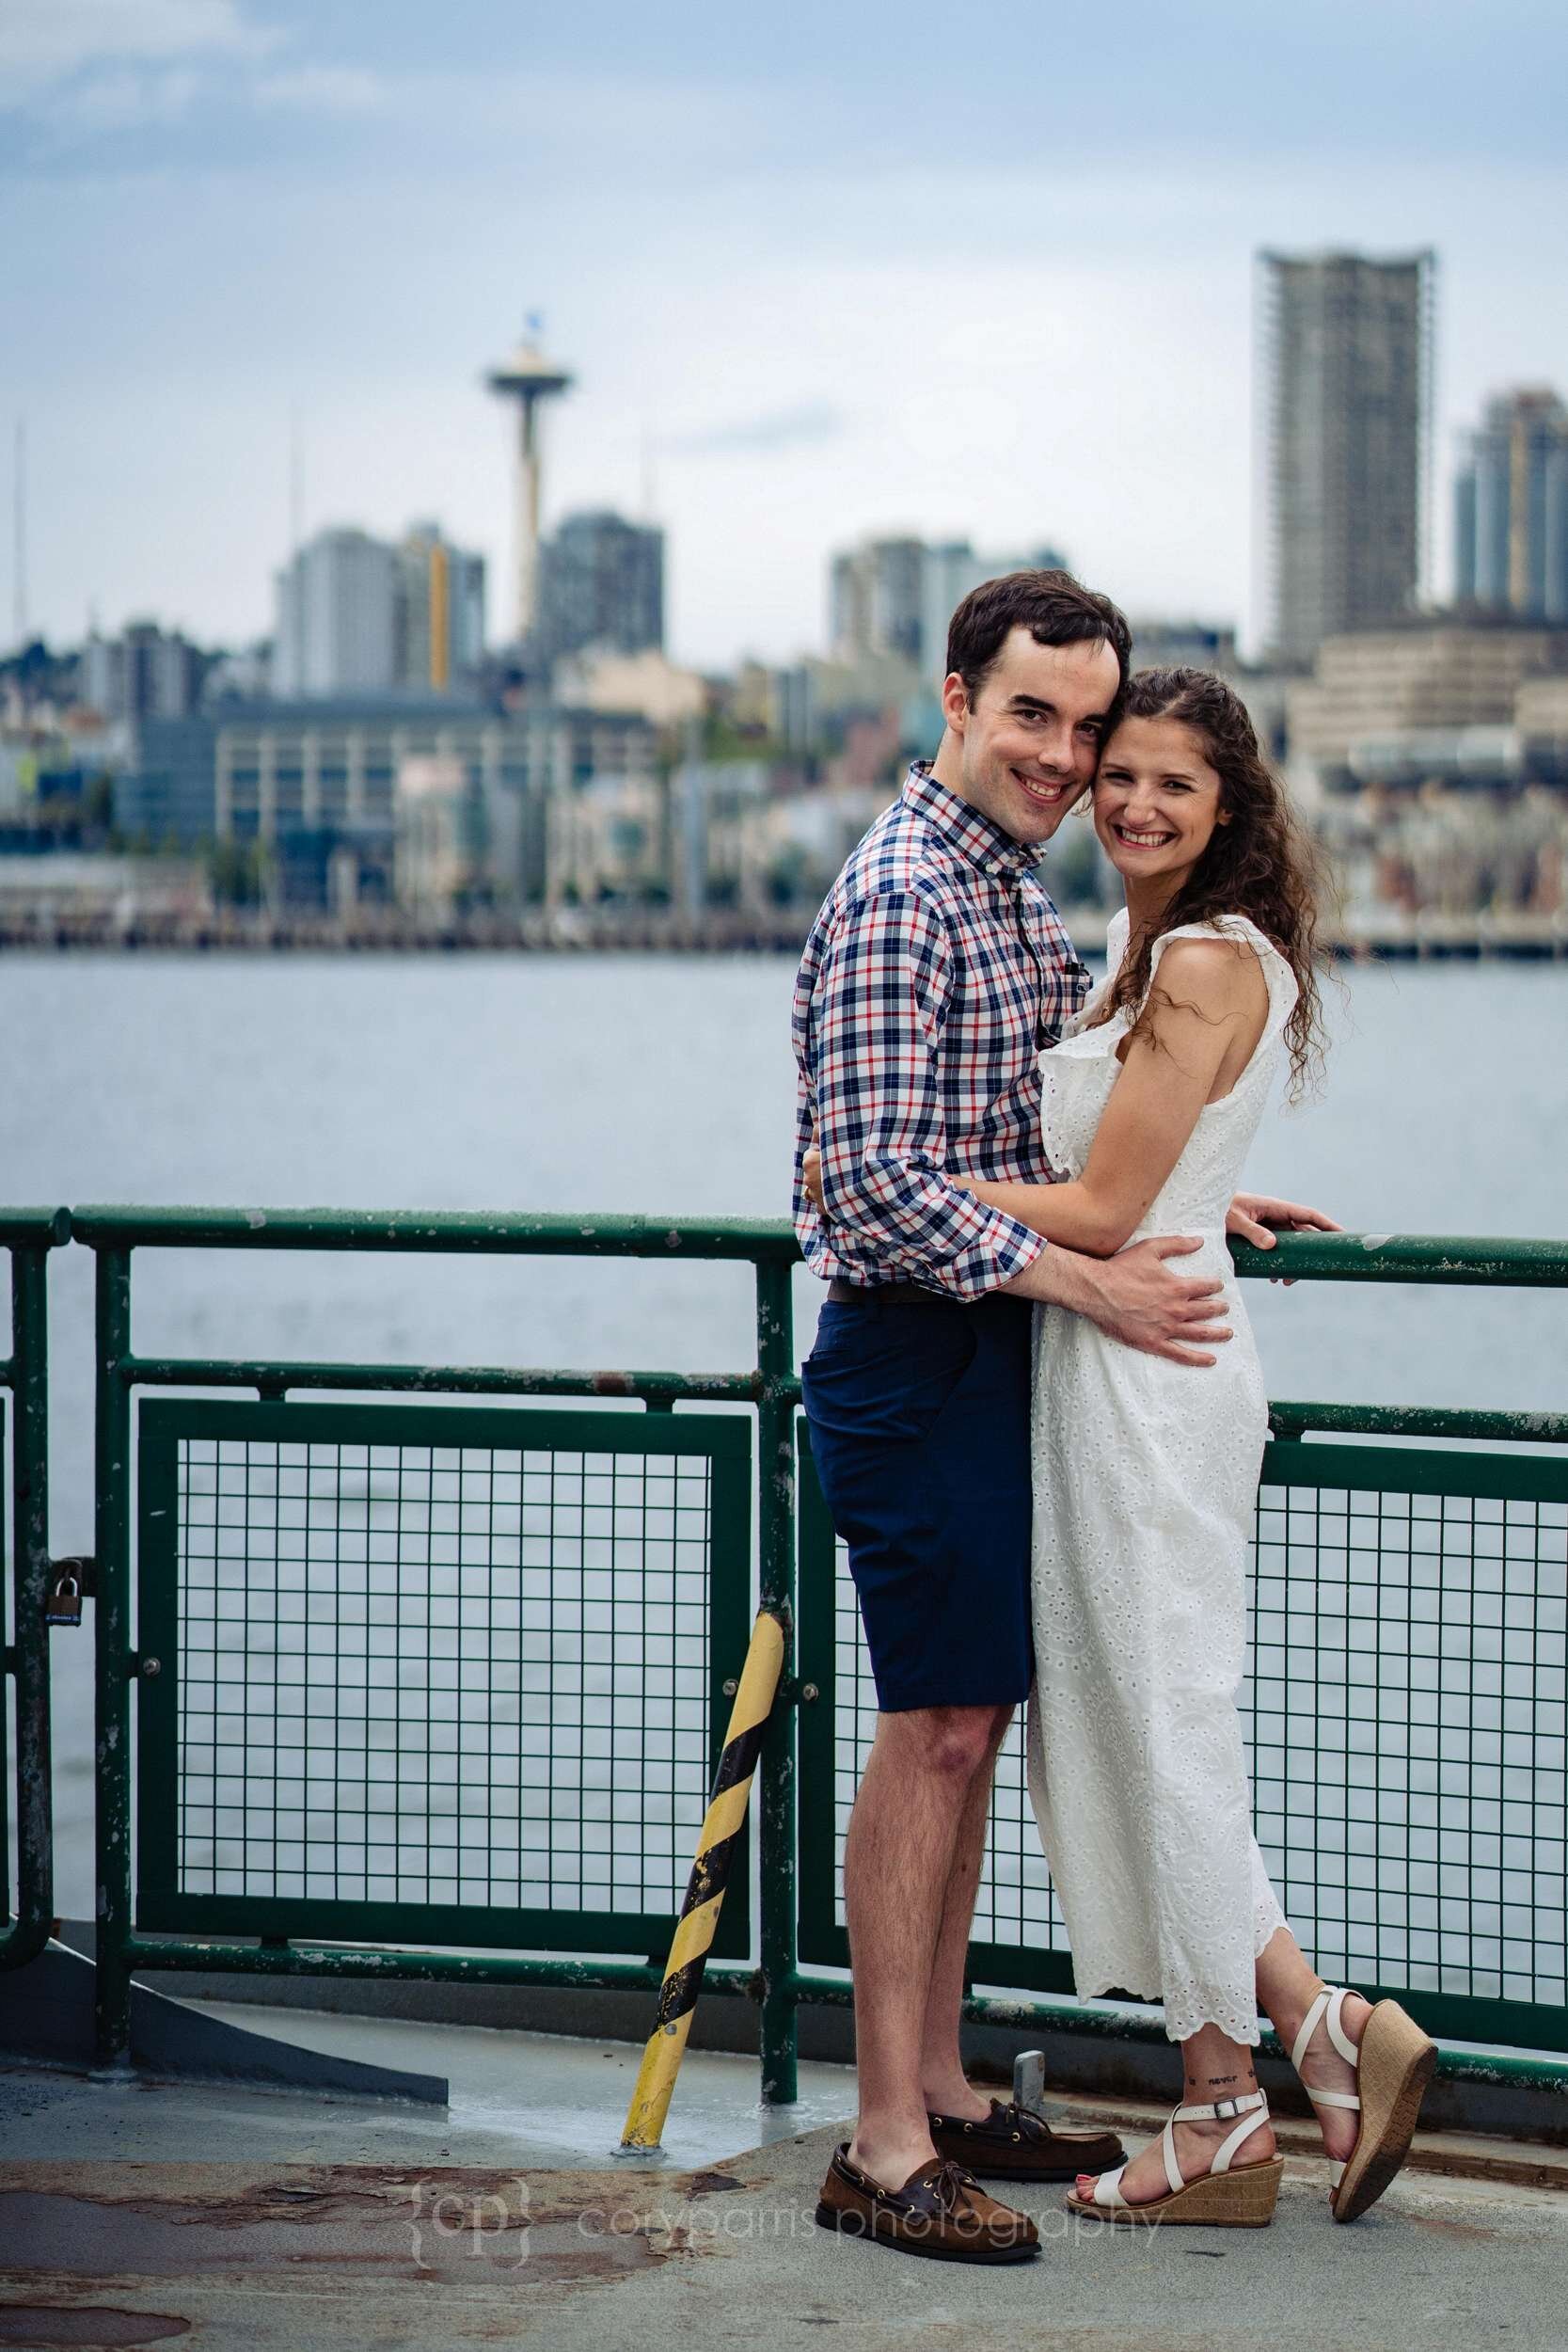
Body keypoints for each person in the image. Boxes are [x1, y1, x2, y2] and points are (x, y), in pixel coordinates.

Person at [793, 573, 1334, 2265]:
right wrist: (1087, 1276)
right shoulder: (905, 893)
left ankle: (946, 2088)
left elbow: (1093, 1137)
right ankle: (885, 2142)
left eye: (1089, 728)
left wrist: (1194, 1200)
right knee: (934, 1731)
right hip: (916, 1349)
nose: (1070, 758)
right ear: (956, 700)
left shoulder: (1013, 895)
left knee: (974, 1726)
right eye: (1034, 715)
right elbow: (870, 1189)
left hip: (997, 1348)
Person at [942, 665, 1437, 2227]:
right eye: (1120, 777)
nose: (1139, 804)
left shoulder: (1208, 961)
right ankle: (1318, 2033)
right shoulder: (1145, 951)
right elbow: (1131, 1169)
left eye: (1178, 785)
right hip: (1108, 1354)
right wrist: (1199, 1191)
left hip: (1150, 1376)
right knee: (1145, 1731)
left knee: (1169, 1737)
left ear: (1231, 812)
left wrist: (892, 1172)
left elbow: (1091, 1211)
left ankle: (1228, 2107)